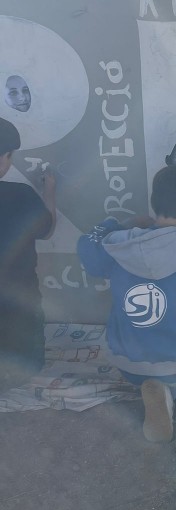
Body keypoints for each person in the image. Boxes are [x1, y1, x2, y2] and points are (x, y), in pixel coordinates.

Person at [77, 165, 176, 443]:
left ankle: (153, 388)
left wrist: (117, 223)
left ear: (153, 203)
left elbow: (86, 244)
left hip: (127, 364)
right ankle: (171, 391)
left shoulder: (118, 244)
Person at [0, 117, 55, 383]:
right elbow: (47, 231)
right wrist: (50, 191)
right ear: (5, 157)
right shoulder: (21, 195)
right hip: (20, 309)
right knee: (27, 365)